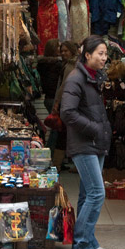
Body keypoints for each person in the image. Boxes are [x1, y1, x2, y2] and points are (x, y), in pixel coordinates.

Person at [60, 35, 112, 249]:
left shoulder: (92, 78)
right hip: (84, 144)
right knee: (97, 192)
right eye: (100, 53)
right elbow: (67, 113)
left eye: (105, 54)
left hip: (94, 143)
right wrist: (94, 129)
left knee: (87, 194)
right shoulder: (76, 78)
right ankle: (81, 245)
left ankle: (88, 241)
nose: (104, 58)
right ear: (87, 55)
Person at [50, 41, 79, 170]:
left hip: (68, 104)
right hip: (73, 104)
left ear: (72, 51)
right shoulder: (73, 64)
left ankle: (57, 163)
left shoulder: (70, 66)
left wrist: (57, 103)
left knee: (62, 134)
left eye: (66, 50)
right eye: (62, 51)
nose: (63, 53)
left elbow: (63, 87)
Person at [36, 39, 62, 113]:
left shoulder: (41, 64)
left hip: (48, 98)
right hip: (56, 99)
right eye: (59, 46)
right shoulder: (58, 64)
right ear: (55, 49)